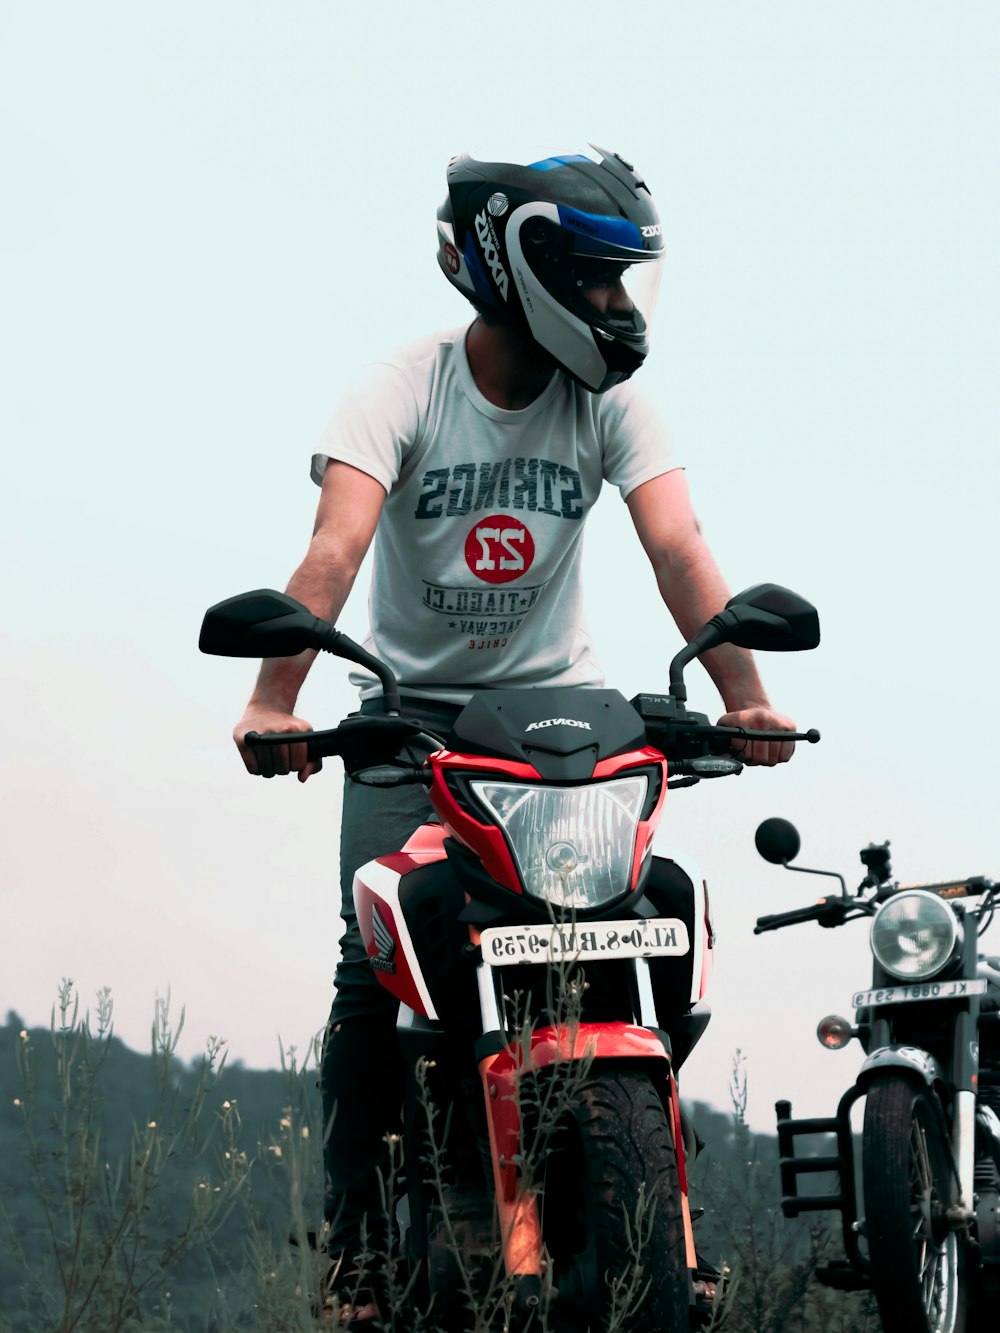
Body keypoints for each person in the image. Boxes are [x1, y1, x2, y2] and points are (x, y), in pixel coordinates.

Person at [233, 146, 796, 1326]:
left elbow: (681, 548)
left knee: (651, 926)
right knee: (373, 969)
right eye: (597, 283)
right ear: (525, 269)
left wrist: (740, 697)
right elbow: (333, 554)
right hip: (410, 728)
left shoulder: (610, 402)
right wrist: (276, 702)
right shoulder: (399, 387)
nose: (616, 310)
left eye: (620, 286)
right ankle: (357, 1251)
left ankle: (632, 1184)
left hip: (566, 726)